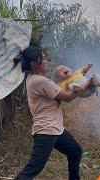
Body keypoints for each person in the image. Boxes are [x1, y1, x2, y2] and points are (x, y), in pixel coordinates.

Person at [13, 46, 89, 180]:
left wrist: (64, 80)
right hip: (46, 131)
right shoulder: (40, 81)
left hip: (55, 129)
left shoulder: (33, 78)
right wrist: (83, 87)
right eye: (43, 59)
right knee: (33, 168)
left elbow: (54, 90)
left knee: (75, 152)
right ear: (34, 63)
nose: (46, 61)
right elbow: (67, 97)